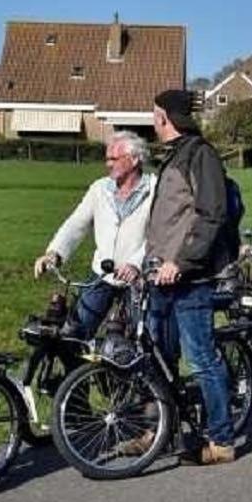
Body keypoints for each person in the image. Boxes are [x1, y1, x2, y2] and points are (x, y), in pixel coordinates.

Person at [146, 89, 238, 465]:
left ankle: (221, 440)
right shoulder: (174, 157)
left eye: (155, 113)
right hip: (159, 277)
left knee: (201, 358)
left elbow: (211, 214)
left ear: (165, 117)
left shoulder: (200, 155)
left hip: (190, 278)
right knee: (158, 358)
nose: (152, 120)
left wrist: (182, 262)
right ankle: (158, 433)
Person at [32, 131, 154, 349]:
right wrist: (55, 252)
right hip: (102, 276)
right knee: (73, 335)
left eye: (114, 159)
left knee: (138, 347)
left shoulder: (155, 190)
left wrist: (136, 263)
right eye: (106, 159)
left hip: (139, 281)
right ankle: (77, 381)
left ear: (134, 160)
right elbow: (76, 223)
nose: (108, 164)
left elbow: (160, 234)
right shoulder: (100, 189)